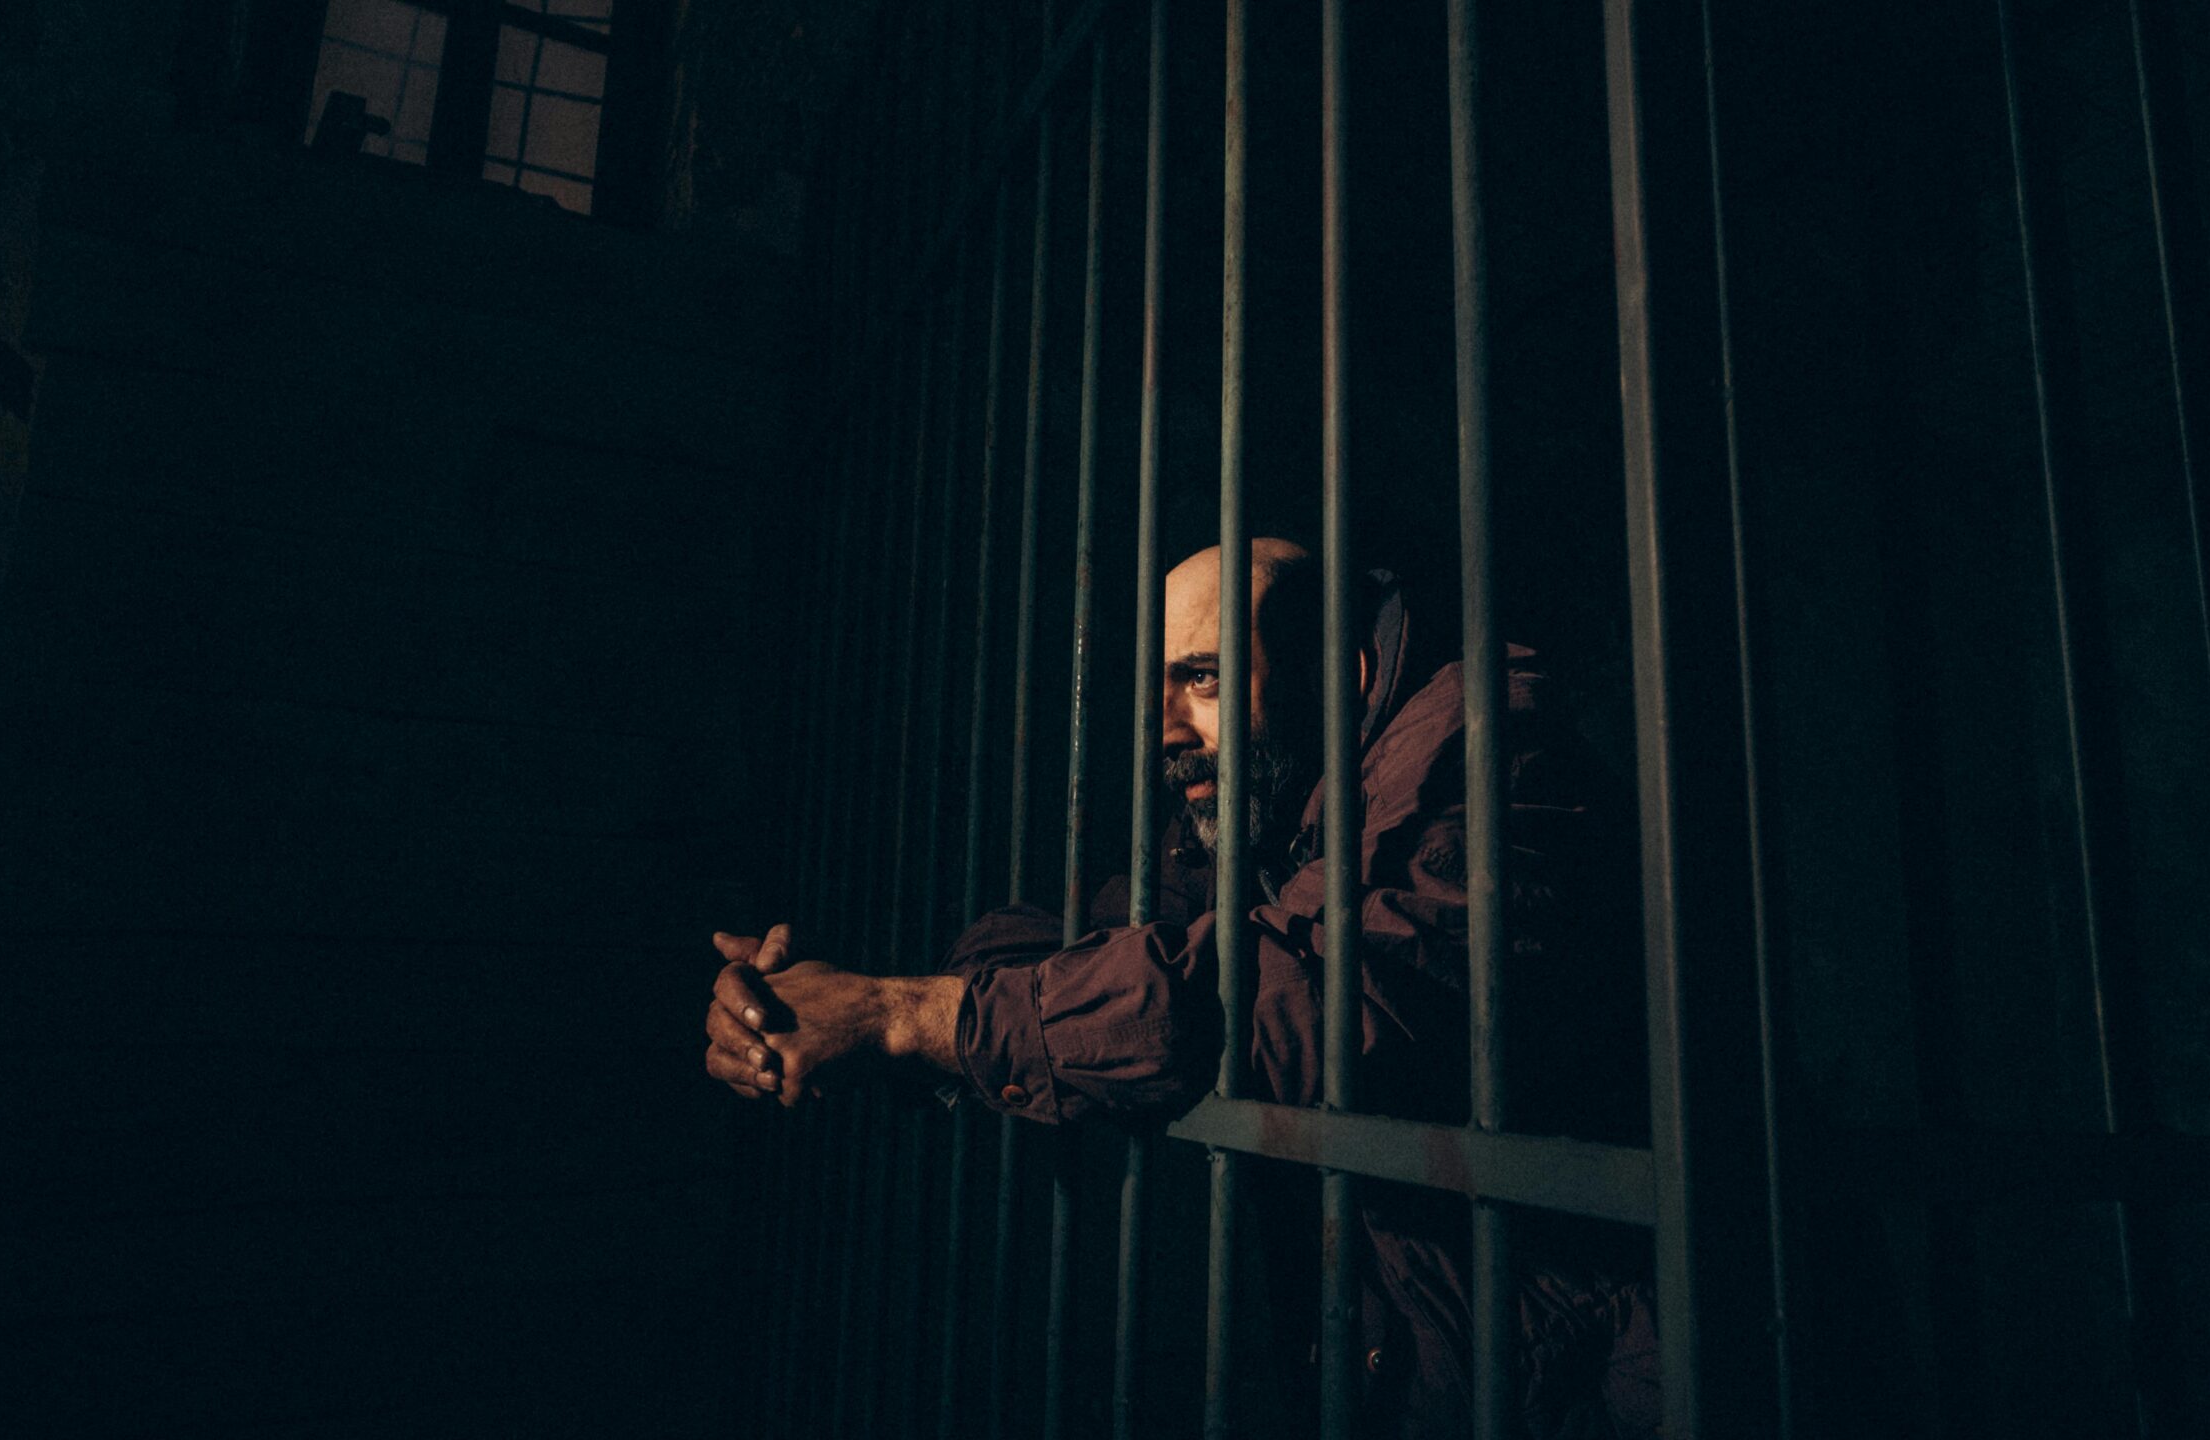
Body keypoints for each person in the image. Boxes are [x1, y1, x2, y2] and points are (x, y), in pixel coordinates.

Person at [703, 539, 1658, 1438]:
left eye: (1200, 678)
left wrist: (902, 1018)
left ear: (1343, 675)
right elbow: (1068, 941)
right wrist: (831, 1006)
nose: (1164, 729)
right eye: (1160, 687)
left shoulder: (1483, 752)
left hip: (1608, 1381)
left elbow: (1300, 1001)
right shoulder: (1277, 808)